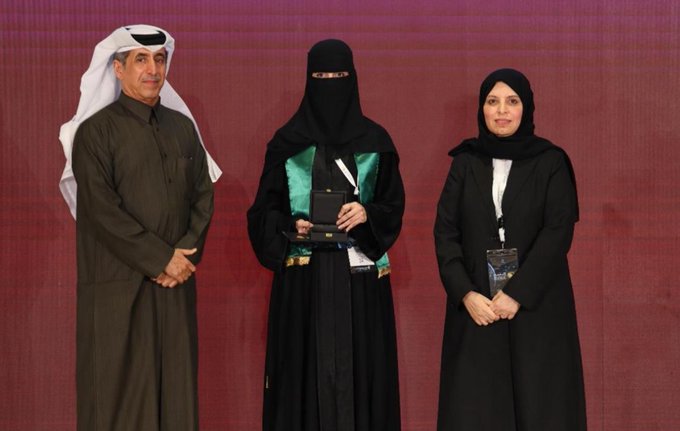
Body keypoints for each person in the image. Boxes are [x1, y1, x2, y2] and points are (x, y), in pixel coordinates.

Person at [60, 25, 220, 431]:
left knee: (175, 398)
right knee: (119, 402)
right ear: (118, 69)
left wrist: (183, 257)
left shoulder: (183, 128)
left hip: (174, 289)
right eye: (141, 60)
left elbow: (203, 197)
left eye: (159, 60)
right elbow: (102, 211)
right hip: (118, 289)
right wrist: (162, 258)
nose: (153, 70)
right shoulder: (95, 133)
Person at [247, 39, 404, 431]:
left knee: (362, 379)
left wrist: (366, 213)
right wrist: (291, 225)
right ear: (308, 79)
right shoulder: (286, 144)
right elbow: (263, 213)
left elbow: (392, 207)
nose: (330, 83)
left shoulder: (376, 143)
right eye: (321, 75)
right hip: (304, 282)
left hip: (360, 282)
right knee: (303, 380)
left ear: (352, 78)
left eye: (338, 75)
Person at [434, 69, 586, 431]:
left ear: (526, 108)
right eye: (493, 101)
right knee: (476, 410)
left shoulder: (551, 162)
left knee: (542, 409)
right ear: (482, 109)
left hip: (537, 308)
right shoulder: (465, 162)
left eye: (512, 101)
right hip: (478, 310)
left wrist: (517, 293)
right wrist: (465, 294)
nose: (501, 110)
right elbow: (445, 232)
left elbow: (557, 233)